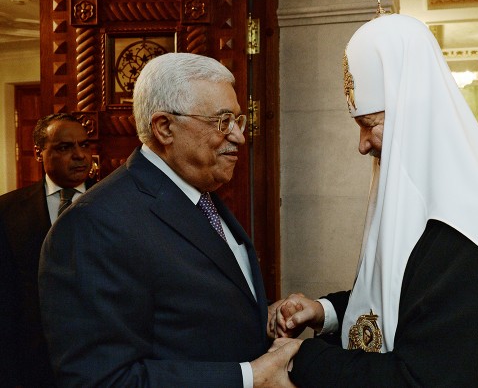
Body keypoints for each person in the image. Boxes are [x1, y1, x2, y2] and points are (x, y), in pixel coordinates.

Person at [273, 14, 478, 387]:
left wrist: (303, 357)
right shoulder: (430, 209)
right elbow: (412, 297)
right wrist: (327, 311)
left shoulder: (475, 229)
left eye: (370, 124)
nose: (362, 144)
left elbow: (422, 378)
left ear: (413, 114)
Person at [38, 52, 296, 387]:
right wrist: (249, 377)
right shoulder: (93, 225)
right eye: (222, 122)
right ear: (164, 128)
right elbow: (102, 379)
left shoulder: (201, 193)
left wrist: (259, 318)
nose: (239, 136)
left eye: (238, 120)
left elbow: (186, 314)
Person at [0, 113, 94, 387]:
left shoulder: (117, 202)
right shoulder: (8, 211)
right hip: (33, 361)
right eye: (65, 148)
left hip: (99, 356)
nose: (79, 155)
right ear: (39, 153)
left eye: (84, 145)